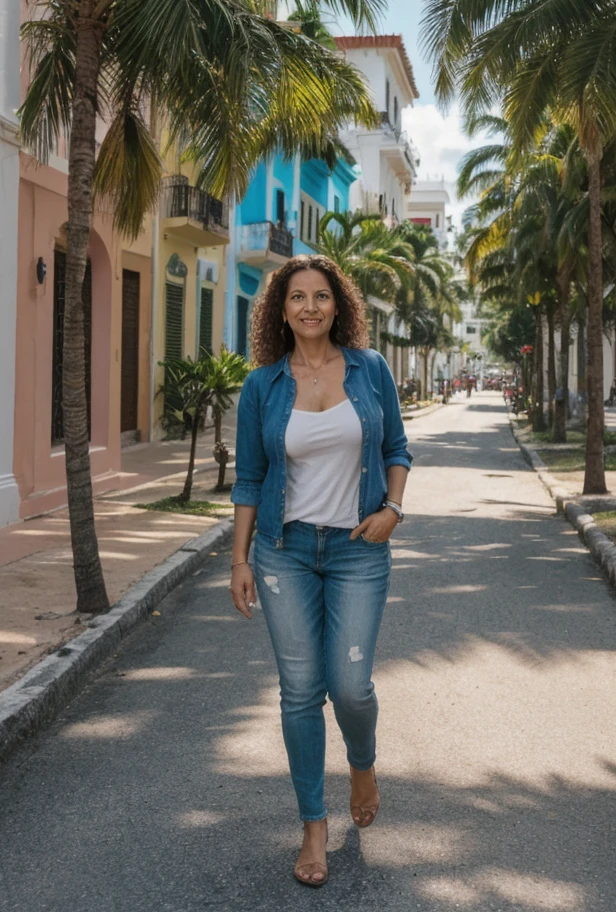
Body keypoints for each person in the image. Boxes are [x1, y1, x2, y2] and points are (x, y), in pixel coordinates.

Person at [229, 254, 412, 888]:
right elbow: (249, 478)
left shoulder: (370, 369)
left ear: (339, 306)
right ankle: (313, 825)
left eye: (322, 297)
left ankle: (361, 763)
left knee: (352, 685)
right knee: (301, 692)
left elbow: (396, 447)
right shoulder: (263, 386)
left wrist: (393, 506)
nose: (310, 307)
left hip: (359, 546)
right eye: (297, 297)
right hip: (285, 551)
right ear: (280, 310)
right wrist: (239, 560)